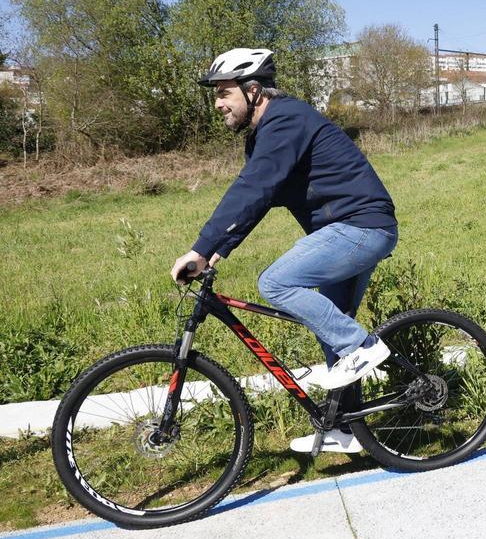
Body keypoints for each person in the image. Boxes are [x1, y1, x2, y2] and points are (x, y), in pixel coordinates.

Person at [170, 48, 399, 455]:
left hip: (361, 228)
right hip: (346, 232)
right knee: (333, 331)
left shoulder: (285, 119)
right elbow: (260, 197)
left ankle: (365, 347)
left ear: (253, 89)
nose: (218, 104)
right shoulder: (267, 132)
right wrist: (219, 249)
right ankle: (343, 429)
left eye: (224, 93)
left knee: (275, 282)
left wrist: (200, 247)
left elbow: (253, 187)